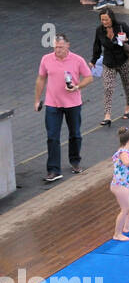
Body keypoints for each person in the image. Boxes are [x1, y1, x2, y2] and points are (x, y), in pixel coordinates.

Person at [34, 33, 93, 182]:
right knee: (52, 137)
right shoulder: (46, 59)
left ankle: (75, 161)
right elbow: (41, 79)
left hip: (73, 104)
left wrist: (77, 87)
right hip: (52, 103)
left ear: (68, 45)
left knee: (75, 134)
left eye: (60, 47)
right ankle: (54, 170)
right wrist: (37, 100)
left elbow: (89, 77)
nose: (57, 50)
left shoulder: (77, 60)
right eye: (55, 47)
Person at [92, 8, 129, 125]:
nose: (104, 22)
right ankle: (107, 115)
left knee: (127, 84)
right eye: (102, 20)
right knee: (108, 88)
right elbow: (97, 47)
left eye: (106, 19)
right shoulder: (99, 30)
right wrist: (93, 61)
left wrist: (126, 39)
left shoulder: (121, 26)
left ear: (111, 18)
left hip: (123, 60)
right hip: (109, 63)